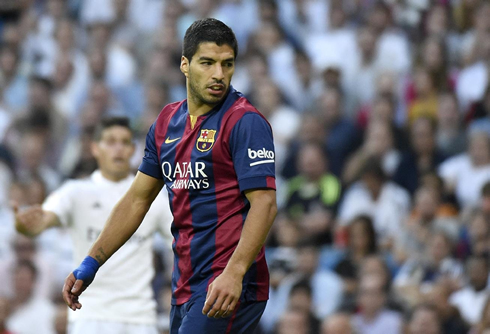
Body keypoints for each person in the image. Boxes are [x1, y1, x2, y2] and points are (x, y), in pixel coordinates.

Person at [62, 18, 277, 334]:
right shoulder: (165, 123)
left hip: (230, 282)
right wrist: (90, 263)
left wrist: (234, 272)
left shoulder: (245, 122)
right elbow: (137, 200)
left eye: (227, 64)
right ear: (185, 65)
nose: (219, 74)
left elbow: (265, 204)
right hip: (186, 283)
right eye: (208, 63)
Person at [14, 117, 172, 334]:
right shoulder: (75, 192)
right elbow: (45, 218)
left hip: (140, 317)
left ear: (133, 149)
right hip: (90, 315)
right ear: (95, 148)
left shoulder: (155, 199)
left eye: (124, 142)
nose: (118, 148)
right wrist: (27, 226)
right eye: (110, 141)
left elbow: (182, 239)